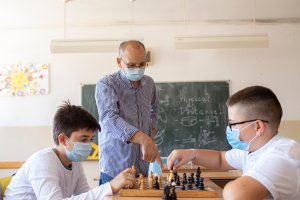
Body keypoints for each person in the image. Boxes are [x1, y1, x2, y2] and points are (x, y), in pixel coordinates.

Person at [167, 86, 300, 200]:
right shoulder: (252, 148)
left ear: (258, 126)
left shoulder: (282, 155)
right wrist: (193, 154)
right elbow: (220, 159)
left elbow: (236, 194)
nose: (229, 129)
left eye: (232, 124)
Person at [5, 101, 135, 199]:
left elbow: (85, 195)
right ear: (63, 139)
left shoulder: (75, 163)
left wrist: (114, 191)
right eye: (83, 139)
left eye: (90, 139)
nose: (88, 145)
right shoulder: (43, 162)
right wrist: (110, 186)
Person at [95, 40, 162, 185]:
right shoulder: (106, 84)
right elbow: (109, 118)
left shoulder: (149, 83)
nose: (137, 69)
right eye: (131, 65)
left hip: (144, 167)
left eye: (142, 64)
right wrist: (142, 138)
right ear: (119, 62)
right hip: (115, 170)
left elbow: (154, 110)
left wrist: (150, 138)